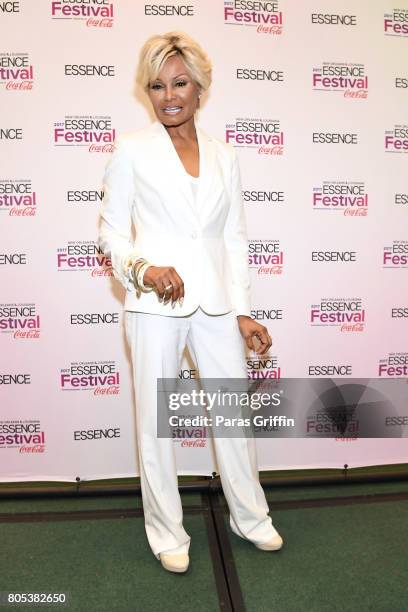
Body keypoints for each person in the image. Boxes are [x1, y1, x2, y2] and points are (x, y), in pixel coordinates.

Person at [98, 31, 283, 574]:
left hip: (218, 305)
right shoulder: (131, 149)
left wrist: (244, 309)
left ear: (199, 87)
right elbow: (111, 236)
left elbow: (234, 239)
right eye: (157, 85)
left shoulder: (226, 155)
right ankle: (166, 530)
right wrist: (145, 270)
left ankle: (250, 516)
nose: (169, 95)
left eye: (179, 83)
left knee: (233, 416)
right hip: (155, 305)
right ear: (147, 92)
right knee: (156, 424)